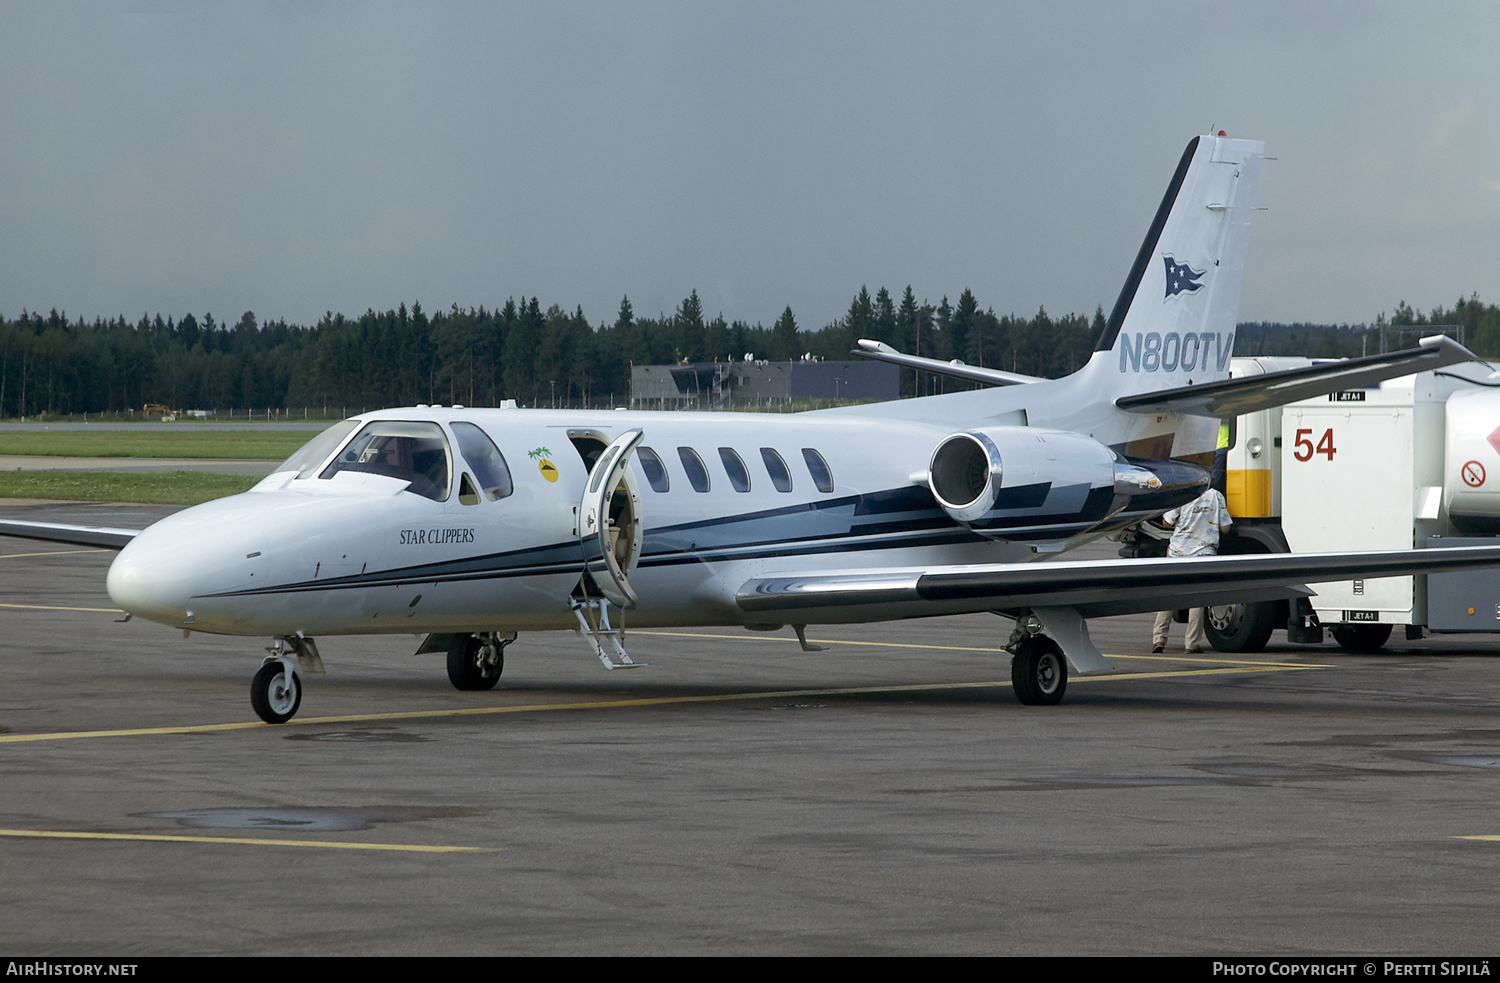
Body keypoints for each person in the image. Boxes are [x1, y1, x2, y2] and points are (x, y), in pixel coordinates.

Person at [1152, 484, 1233, 653]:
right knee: (1197, 601)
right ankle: (1191, 644)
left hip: (1178, 552)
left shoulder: (1184, 494)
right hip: (1203, 554)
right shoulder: (1216, 496)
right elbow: (1225, 528)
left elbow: (1166, 523)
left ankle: (1159, 639)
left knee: (1169, 596)